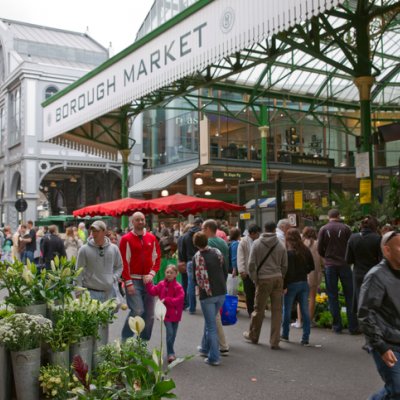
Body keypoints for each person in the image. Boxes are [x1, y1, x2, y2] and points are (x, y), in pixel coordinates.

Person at [358, 231, 400, 399]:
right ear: (387, 250)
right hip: (387, 343)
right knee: (397, 388)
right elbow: (365, 314)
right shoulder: (376, 276)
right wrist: (381, 346)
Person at [243, 221, 287, 349]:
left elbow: (251, 264)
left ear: (264, 229)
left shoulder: (256, 244)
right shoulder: (281, 244)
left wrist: (255, 278)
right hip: (277, 278)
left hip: (263, 279)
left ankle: (254, 335)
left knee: (259, 309)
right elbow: (285, 265)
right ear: (275, 230)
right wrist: (281, 275)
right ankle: (274, 340)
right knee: (277, 311)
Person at [120, 212, 161, 341]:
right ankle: (125, 338)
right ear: (132, 222)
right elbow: (123, 262)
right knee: (137, 310)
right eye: (137, 220)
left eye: (142, 219)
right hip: (133, 280)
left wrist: (151, 274)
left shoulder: (152, 238)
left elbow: (157, 258)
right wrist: (128, 282)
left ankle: (142, 343)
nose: (140, 222)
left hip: (148, 281)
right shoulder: (126, 239)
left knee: (149, 315)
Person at [317, 209, 358, 334]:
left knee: (332, 295)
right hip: (344, 265)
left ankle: (337, 326)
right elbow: (351, 246)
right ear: (338, 216)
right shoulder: (346, 228)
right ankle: (353, 327)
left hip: (330, 266)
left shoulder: (323, 229)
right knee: (350, 295)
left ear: (329, 217)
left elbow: (320, 249)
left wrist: (327, 257)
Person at [192, 232, 227, 366]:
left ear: (195, 244)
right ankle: (204, 347)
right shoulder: (217, 252)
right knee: (210, 321)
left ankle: (214, 357)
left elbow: (196, 278)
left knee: (211, 326)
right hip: (221, 292)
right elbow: (224, 270)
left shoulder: (197, 257)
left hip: (207, 294)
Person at [281, 228, 314, 346]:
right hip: (303, 283)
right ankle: (306, 338)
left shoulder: (288, 252)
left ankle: (285, 334)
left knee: (287, 310)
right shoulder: (305, 250)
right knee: (305, 310)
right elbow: (312, 266)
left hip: (291, 284)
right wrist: (304, 271)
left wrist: (284, 285)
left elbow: (286, 272)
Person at [146, 264, 185, 364]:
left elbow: (179, 299)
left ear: (176, 274)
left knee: (173, 334)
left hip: (176, 315)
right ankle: (170, 353)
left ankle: (170, 351)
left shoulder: (178, 287)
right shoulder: (161, 284)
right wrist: (148, 283)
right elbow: (152, 291)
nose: (169, 274)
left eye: (171, 273)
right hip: (165, 314)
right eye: (167, 272)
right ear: (165, 273)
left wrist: (167, 300)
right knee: (170, 333)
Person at [202, 219, 230, 356]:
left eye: (203, 229)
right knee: (212, 315)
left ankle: (222, 345)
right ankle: (205, 345)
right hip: (221, 281)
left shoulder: (207, 244)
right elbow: (226, 263)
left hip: (211, 284)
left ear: (208, 229)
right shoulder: (223, 243)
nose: (202, 231)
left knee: (214, 317)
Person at [76, 220, 122, 302]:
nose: (94, 233)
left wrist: (113, 278)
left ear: (104, 232)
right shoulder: (84, 249)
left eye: (97, 231)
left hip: (109, 293)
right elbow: (78, 271)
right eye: (92, 230)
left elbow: (119, 267)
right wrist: (78, 292)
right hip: (90, 292)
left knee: (109, 315)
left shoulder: (114, 248)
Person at [345, 215, 382, 317]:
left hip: (358, 274)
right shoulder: (378, 239)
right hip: (373, 274)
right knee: (373, 301)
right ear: (374, 226)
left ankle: (362, 323)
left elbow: (348, 259)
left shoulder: (353, 238)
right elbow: (381, 259)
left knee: (359, 299)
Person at [178, 217, 203, 314]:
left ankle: (191, 306)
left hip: (189, 261)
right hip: (201, 259)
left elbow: (181, 251)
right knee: (203, 283)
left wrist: (183, 260)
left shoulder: (184, 236)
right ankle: (206, 305)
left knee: (190, 284)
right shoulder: (201, 234)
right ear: (200, 224)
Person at [237, 223, 261, 316]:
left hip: (257, 271)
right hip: (247, 271)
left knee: (258, 292)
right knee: (249, 292)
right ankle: (250, 311)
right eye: (257, 233)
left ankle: (258, 309)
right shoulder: (243, 242)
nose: (259, 235)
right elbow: (240, 257)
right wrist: (242, 270)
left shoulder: (259, 241)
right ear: (253, 233)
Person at [303, 226, 323, 324]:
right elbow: (322, 259)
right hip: (314, 274)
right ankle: (309, 320)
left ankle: (299, 319)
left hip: (302, 273)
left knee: (302, 298)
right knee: (312, 298)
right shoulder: (317, 244)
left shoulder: (301, 244)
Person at [227, 227, 241, 295]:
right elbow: (234, 257)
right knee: (233, 291)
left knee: (230, 289)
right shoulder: (235, 244)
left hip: (228, 269)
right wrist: (234, 269)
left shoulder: (229, 242)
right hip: (233, 270)